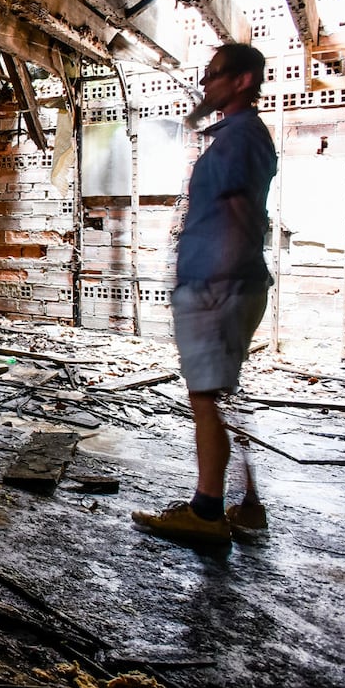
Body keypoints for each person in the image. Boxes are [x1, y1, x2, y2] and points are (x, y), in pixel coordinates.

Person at [132, 43, 278, 545]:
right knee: (221, 394)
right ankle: (249, 503)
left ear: (243, 80)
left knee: (205, 397)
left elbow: (240, 215)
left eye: (216, 75)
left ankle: (207, 511)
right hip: (230, 282)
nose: (206, 82)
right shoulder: (234, 134)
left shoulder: (239, 139)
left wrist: (212, 285)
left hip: (219, 285)